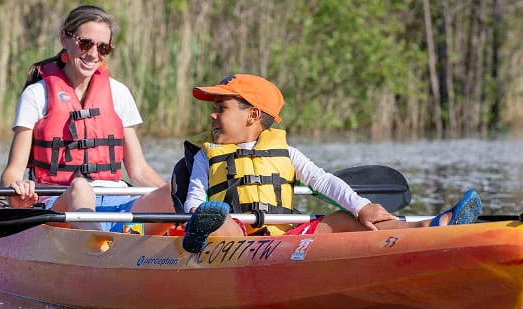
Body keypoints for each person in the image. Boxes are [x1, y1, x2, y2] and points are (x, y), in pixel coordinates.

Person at [179, 73, 482, 253]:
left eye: (221, 107)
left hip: (284, 238)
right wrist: (196, 213)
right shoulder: (206, 155)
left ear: (253, 115)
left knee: (348, 219)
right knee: (221, 221)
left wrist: (360, 205)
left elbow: (324, 182)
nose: (213, 115)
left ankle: (432, 226)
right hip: (237, 236)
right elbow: (193, 196)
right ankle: (201, 231)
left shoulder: (288, 153)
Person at [0, 5, 173, 234]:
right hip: (60, 203)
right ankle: (99, 241)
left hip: (117, 203)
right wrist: (17, 189)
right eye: (85, 43)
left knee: (176, 190)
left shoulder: (118, 93)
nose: (93, 54)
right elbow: (12, 171)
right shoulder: (36, 95)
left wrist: (176, 200)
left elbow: (138, 169)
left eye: (103, 48)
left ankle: (127, 238)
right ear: (65, 37)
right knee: (80, 187)